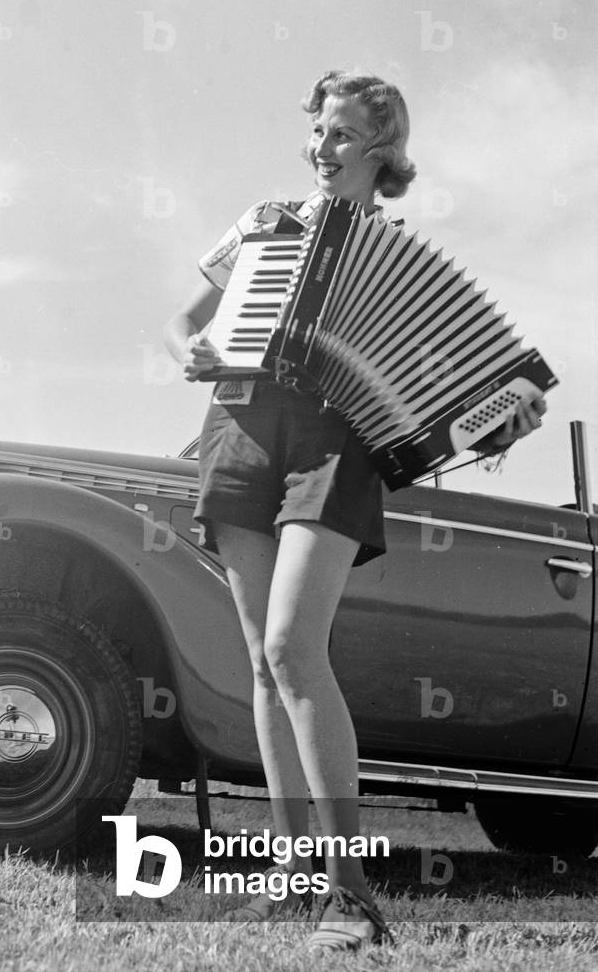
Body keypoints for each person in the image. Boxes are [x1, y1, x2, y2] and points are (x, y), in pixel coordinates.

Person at [163, 70, 546, 951]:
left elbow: (468, 402)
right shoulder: (263, 224)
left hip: (336, 448)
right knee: (263, 662)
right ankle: (296, 878)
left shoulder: (400, 266)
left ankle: (350, 892)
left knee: (298, 646)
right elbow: (185, 323)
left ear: (383, 152)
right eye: (317, 132)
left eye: (340, 136)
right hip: (240, 429)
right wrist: (200, 349)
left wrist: (506, 415)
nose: (319, 149)